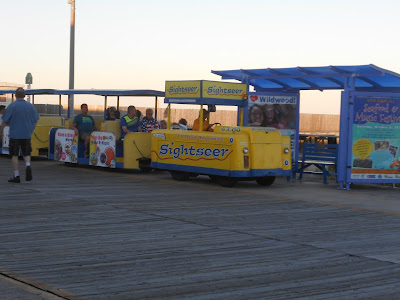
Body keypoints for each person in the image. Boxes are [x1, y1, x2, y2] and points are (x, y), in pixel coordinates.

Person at [0, 88, 39, 183]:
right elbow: (36, 120)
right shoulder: (30, 106)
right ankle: (28, 165)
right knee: (26, 153)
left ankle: (16, 175)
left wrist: (0, 133)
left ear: (15, 95)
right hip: (26, 134)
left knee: (14, 155)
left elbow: (4, 122)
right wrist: (31, 130)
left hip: (14, 134)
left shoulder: (12, 106)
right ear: (25, 95)